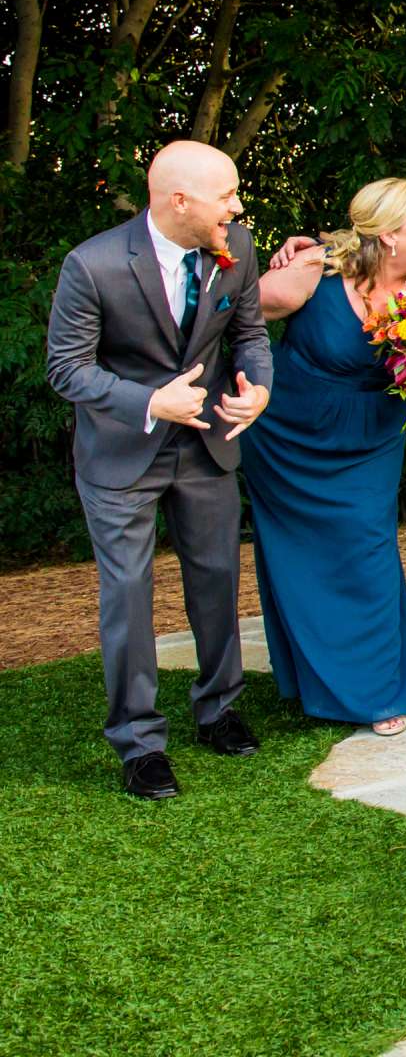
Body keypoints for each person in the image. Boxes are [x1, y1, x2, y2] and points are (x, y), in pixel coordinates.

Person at [45, 141, 273, 799]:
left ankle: (219, 709)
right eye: (226, 194)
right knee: (128, 596)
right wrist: (148, 400)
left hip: (206, 447)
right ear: (179, 202)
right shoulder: (93, 265)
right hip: (122, 451)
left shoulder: (238, 248)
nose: (237, 205)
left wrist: (257, 387)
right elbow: (66, 369)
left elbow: (251, 334)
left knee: (217, 580)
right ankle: (139, 742)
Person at [246, 179, 406, 737]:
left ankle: (379, 690)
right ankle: (313, 678)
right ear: (387, 233)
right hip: (288, 433)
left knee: (368, 546)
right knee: (297, 556)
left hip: (369, 436)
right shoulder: (314, 271)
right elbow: (229, 318)